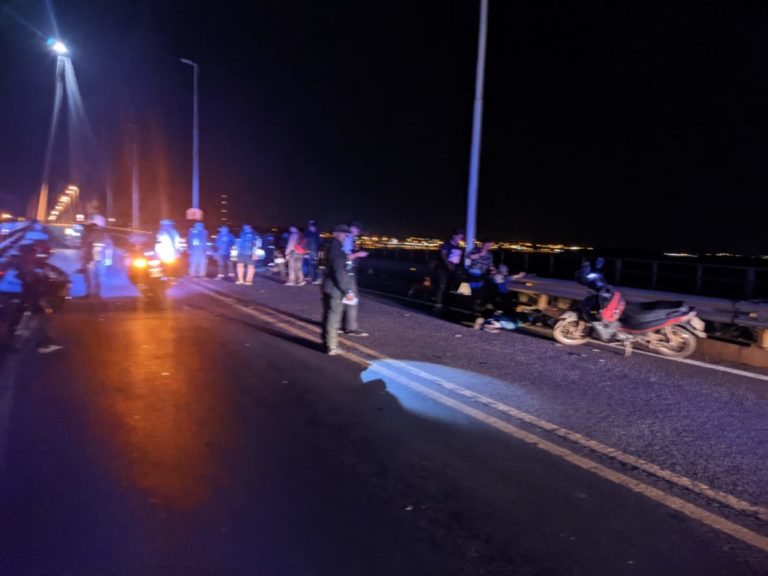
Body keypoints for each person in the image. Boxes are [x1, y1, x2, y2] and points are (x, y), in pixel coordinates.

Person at [322, 224, 357, 355]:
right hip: (335, 289)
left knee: (329, 316)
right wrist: (348, 291)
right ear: (338, 234)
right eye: (346, 234)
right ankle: (332, 346)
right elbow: (340, 272)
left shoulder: (332, 246)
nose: (347, 237)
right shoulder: (337, 251)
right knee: (334, 317)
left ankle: (328, 343)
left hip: (329, 286)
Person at [341, 221, 369, 336]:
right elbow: (346, 256)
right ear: (354, 229)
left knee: (344, 297)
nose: (358, 233)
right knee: (352, 297)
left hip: (342, 271)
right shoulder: (348, 238)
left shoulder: (344, 237)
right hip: (348, 270)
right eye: (358, 231)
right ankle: (351, 328)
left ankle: (342, 325)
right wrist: (359, 254)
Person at [80, 215, 111, 298]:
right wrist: (108, 260)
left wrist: (83, 258)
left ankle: (91, 293)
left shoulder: (89, 234)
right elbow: (108, 247)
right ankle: (99, 293)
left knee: (90, 277)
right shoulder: (105, 234)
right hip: (100, 259)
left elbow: (85, 246)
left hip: (91, 259)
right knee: (99, 276)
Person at [433, 228, 465, 310]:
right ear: (454, 236)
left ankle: (445, 303)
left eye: (461, 237)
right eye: (459, 236)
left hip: (452, 269)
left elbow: (457, 259)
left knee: (448, 287)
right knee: (442, 286)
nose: (460, 238)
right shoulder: (447, 244)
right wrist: (450, 265)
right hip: (443, 268)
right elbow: (444, 256)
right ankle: (438, 304)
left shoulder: (458, 246)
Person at [467, 238, 496, 316]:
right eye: (487, 245)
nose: (488, 247)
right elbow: (470, 257)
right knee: (475, 291)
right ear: (483, 244)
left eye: (489, 245)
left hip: (482, 275)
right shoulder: (476, 249)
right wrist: (480, 253)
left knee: (480, 291)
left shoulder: (490, 254)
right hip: (472, 273)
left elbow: (490, 265)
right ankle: (473, 309)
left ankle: (476, 308)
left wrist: (493, 270)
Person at [304, 219, 322, 284]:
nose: (311, 227)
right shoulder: (314, 233)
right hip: (313, 252)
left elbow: (308, 243)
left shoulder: (312, 234)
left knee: (314, 265)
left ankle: (316, 278)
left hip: (313, 252)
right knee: (312, 265)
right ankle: (312, 277)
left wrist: (307, 252)